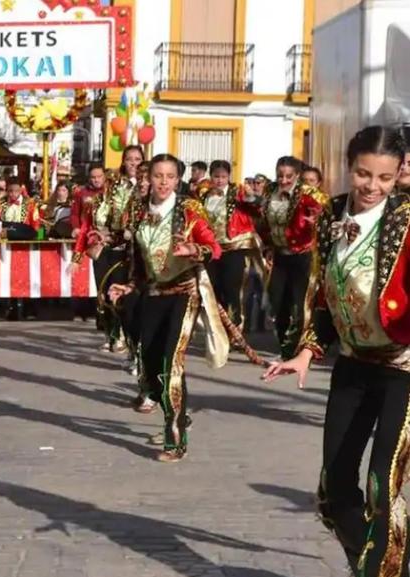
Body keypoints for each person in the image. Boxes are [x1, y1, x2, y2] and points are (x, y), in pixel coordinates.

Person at [263, 125, 409, 577]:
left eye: (385, 178)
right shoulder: (330, 217)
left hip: (403, 369)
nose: (372, 186)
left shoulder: (408, 220)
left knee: (382, 487)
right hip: (352, 364)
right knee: (334, 490)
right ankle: (368, 573)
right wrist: (306, 349)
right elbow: (322, 296)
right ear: (349, 167)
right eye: (364, 174)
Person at [109, 154, 224, 461]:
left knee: (172, 363)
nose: (162, 182)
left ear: (177, 180)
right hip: (152, 295)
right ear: (147, 178)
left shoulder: (189, 210)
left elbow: (214, 248)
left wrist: (194, 249)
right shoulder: (138, 211)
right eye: (157, 176)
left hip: (183, 295)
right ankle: (179, 413)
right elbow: (136, 260)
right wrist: (128, 285)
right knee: (151, 367)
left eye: (169, 176)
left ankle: (175, 440)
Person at [255, 156, 331, 359]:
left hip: (303, 256)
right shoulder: (270, 191)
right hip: (280, 255)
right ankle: (284, 348)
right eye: (280, 175)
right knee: (278, 303)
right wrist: (267, 245)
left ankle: (294, 351)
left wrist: (316, 219)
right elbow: (262, 221)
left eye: (289, 176)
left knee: (299, 306)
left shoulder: (308, 194)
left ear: (297, 176)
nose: (284, 180)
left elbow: (328, 211)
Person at [74, 146, 145, 357]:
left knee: (124, 294)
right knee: (105, 292)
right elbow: (95, 215)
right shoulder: (113, 185)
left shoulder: (144, 187)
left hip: (131, 249)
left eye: (137, 159)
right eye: (129, 159)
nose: (133, 163)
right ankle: (112, 334)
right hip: (106, 245)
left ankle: (128, 339)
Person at [199, 160, 261, 329]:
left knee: (232, 287)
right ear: (210, 177)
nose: (219, 180)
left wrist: (251, 197)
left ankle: (235, 327)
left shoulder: (238, 192)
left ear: (229, 177)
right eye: (216, 176)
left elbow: (257, 208)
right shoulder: (205, 195)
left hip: (234, 246)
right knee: (215, 288)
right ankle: (220, 326)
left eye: (223, 177)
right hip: (213, 249)